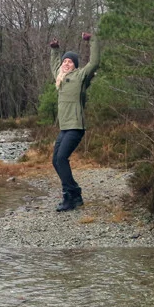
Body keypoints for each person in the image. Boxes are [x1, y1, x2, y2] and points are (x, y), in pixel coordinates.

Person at [48, 31, 100, 212]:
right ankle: (75, 194)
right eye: (65, 61)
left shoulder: (80, 76)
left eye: (70, 61)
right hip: (64, 128)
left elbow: (94, 62)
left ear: (75, 65)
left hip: (76, 127)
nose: (66, 63)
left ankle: (69, 196)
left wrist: (92, 40)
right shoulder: (60, 77)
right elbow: (54, 63)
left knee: (62, 158)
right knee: (56, 161)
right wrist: (55, 49)